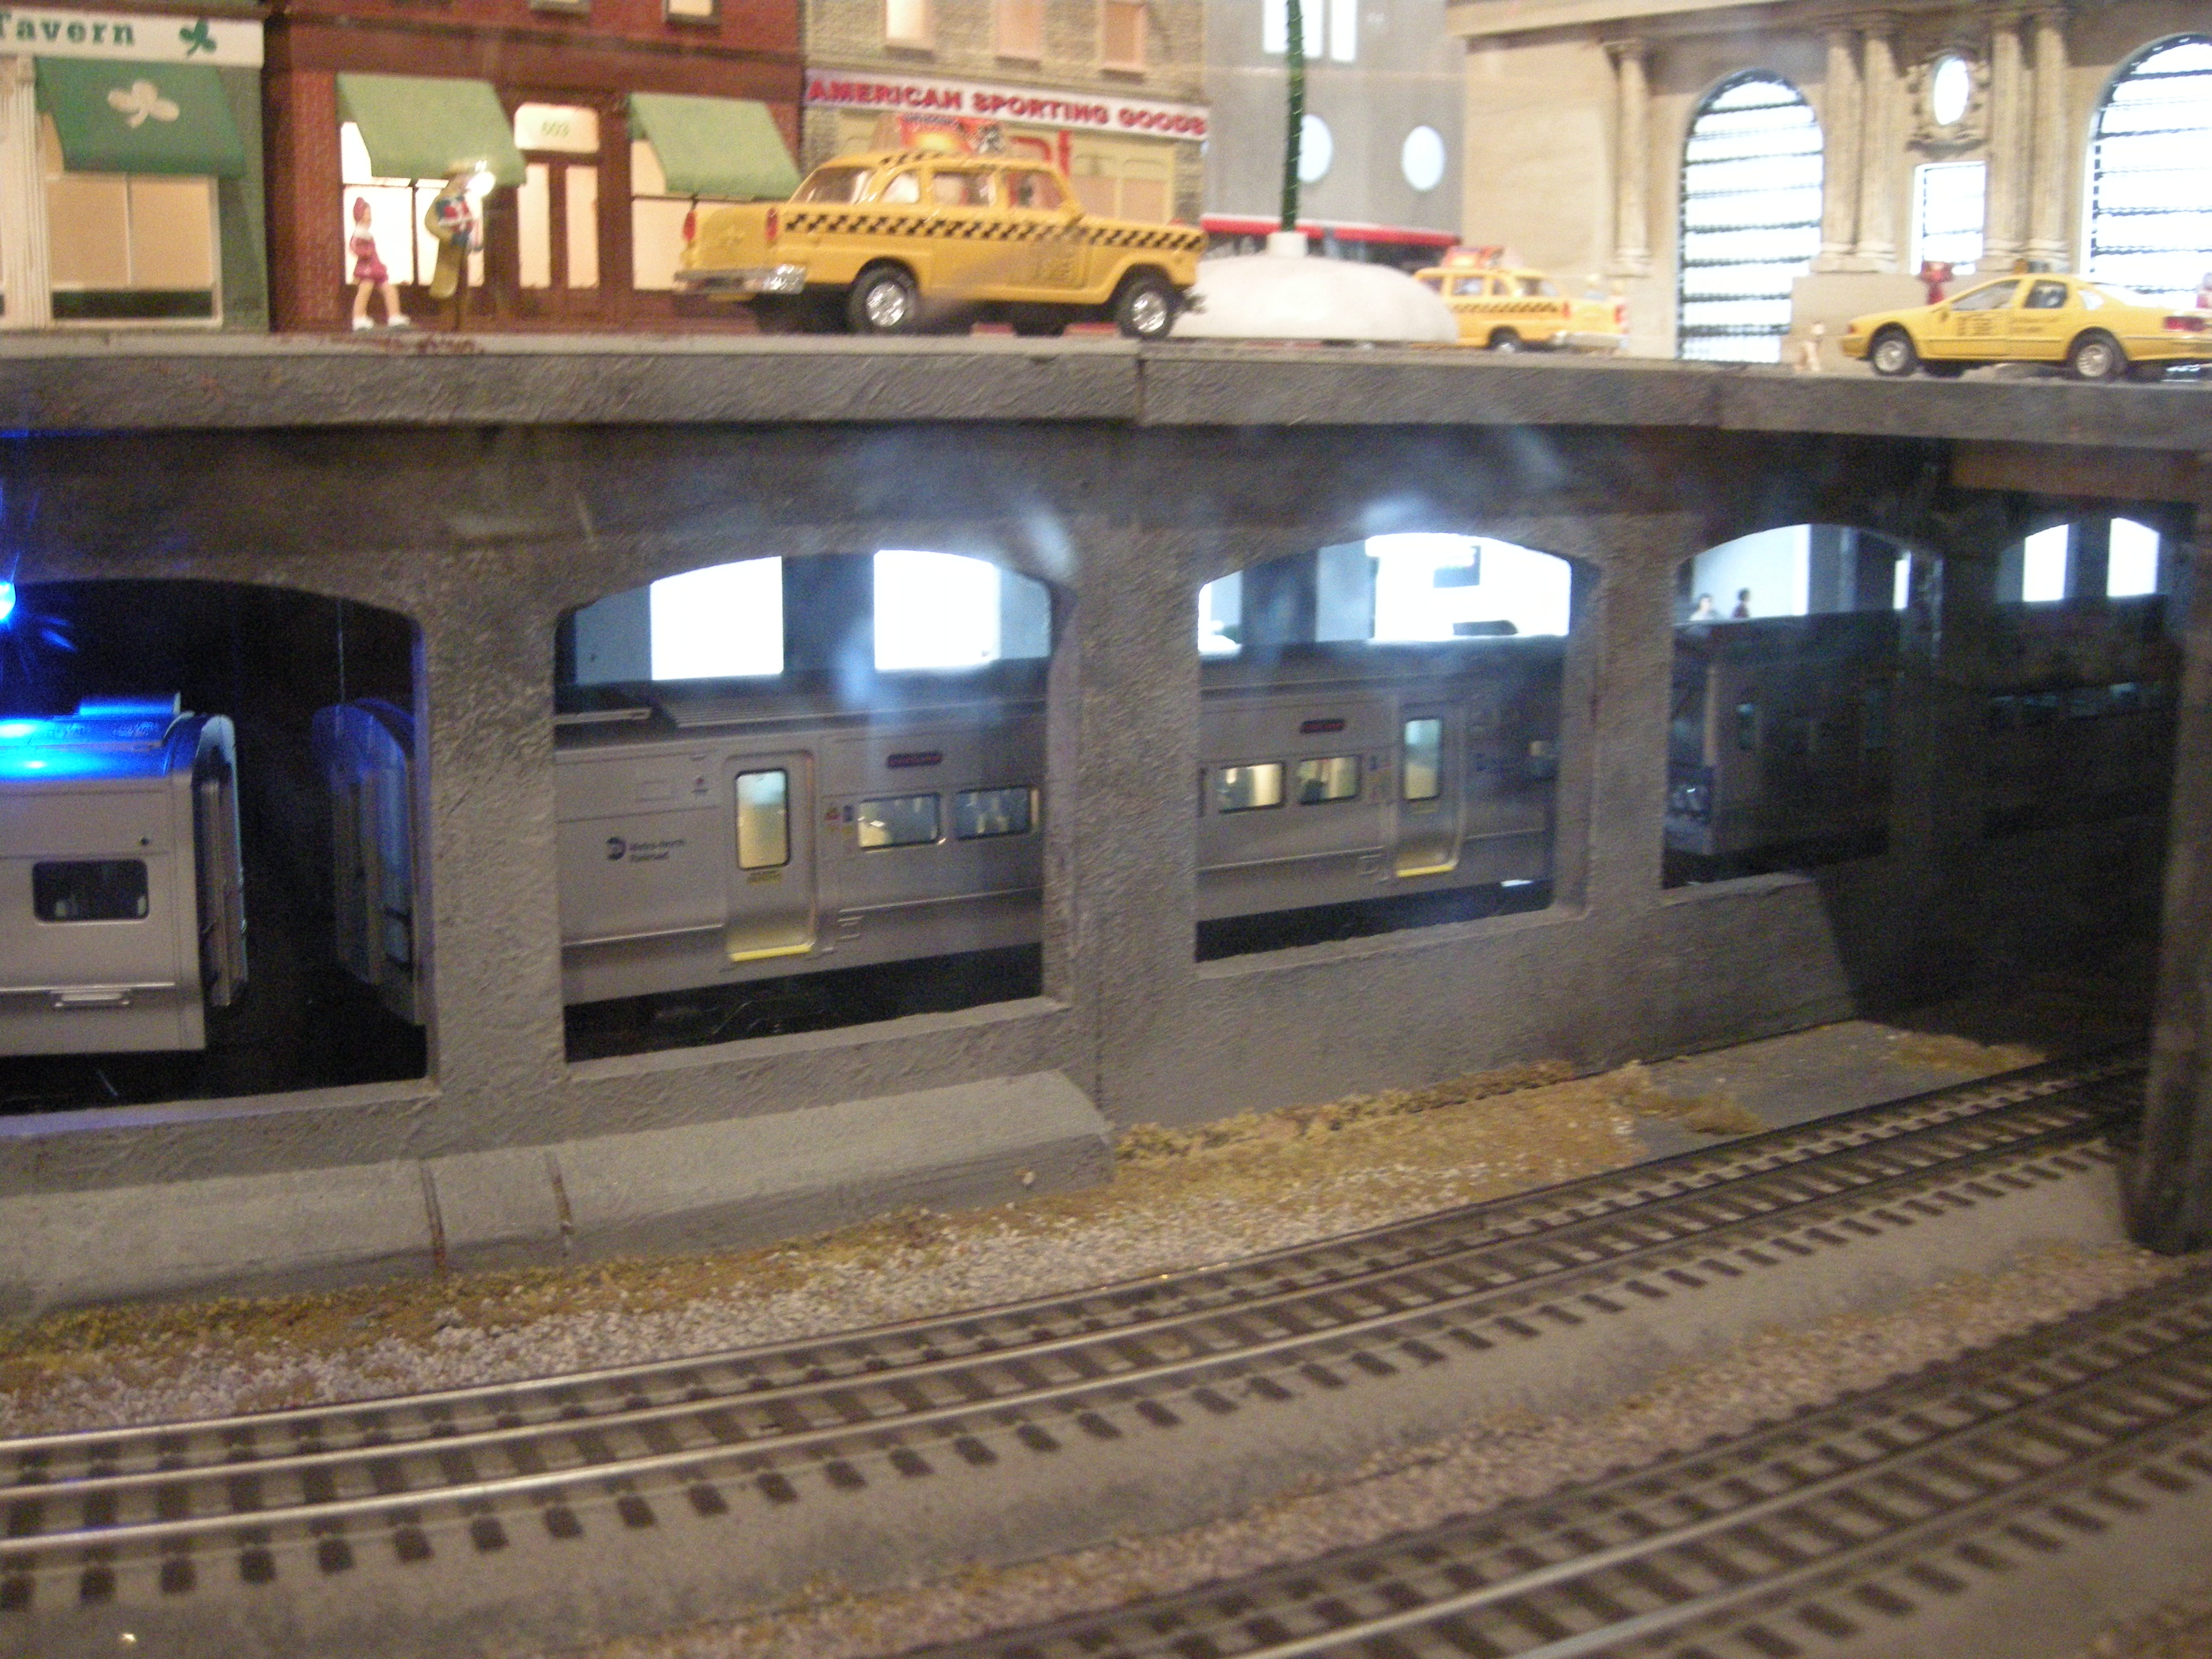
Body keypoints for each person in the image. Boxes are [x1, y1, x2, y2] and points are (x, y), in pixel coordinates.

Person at [347, 197, 409, 331]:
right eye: (367, 213)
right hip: (366, 269)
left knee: (389, 289)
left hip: (375, 267)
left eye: (370, 213)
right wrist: (365, 253)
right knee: (365, 290)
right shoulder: (359, 233)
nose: (369, 216)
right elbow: (353, 247)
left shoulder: (366, 234)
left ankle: (394, 316)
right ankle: (358, 318)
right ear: (360, 215)